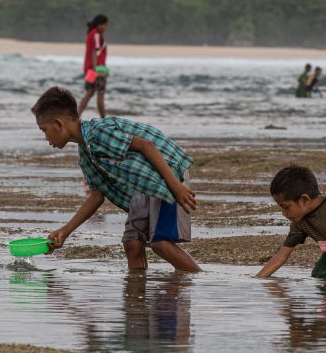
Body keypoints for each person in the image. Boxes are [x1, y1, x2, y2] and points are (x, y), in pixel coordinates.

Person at [32, 86, 200, 272]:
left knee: (161, 243)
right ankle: (137, 289)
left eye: (44, 130)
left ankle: (197, 279)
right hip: (143, 185)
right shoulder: (86, 154)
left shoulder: (98, 133)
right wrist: (65, 231)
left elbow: (146, 146)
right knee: (132, 243)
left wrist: (175, 185)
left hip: (167, 174)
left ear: (59, 123)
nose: (46, 137)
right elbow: (97, 196)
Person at [79, 14, 109, 117]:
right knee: (100, 94)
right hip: (97, 69)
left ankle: (77, 116)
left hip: (89, 69)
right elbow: (95, 53)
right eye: (104, 25)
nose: (106, 27)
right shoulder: (96, 35)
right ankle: (104, 120)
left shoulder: (91, 34)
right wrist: (97, 70)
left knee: (89, 93)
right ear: (99, 24)